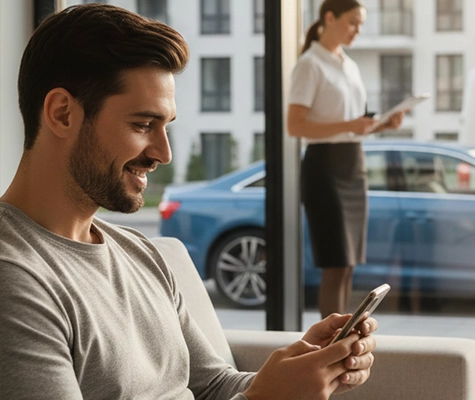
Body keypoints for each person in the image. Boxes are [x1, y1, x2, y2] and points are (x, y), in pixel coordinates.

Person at [0, 4, 377, 399]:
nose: (164, 153)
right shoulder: (15, 276)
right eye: (143, 125)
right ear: (62, 114)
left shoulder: (141, 254)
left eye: (165, 127)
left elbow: (213, 386)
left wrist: (300, 370)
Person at [287, 0, 405, 318]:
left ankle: (341, 335)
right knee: (335, 262)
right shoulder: (310, 64)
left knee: (349, 262)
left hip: (354, 164)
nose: (358, 30)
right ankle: (331, 343)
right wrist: (351, 126)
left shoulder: (349, 65)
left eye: (361, 24)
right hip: (325, 166)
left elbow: (354, 124)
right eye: (353, 22)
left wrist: (381, 124)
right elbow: (294, 125)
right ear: (329, 17)